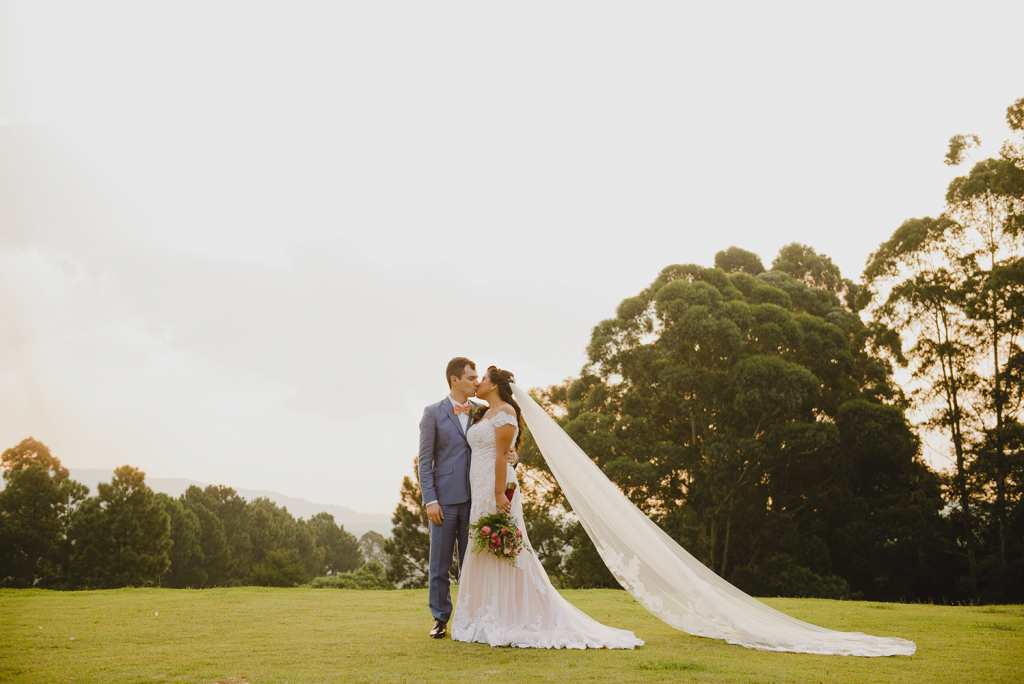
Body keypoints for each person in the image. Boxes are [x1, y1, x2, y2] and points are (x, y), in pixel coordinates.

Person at [450, 366, 644, 649]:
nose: (478, 382)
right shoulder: (485, 412)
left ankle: (513, 615)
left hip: (496, 488)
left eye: (483, 379)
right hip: (479, 489)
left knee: (503, 546)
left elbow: (503, 455)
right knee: (483, 546)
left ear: (494, 386)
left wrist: (499, 493)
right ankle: (486, 613)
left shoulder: (505, 411)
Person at [418, 357, 518, 640]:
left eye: (478, 377)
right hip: (444, 500)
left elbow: (499, 446)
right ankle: (440, 619)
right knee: (439, 563)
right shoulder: (432, 413)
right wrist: (430, 500)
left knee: (472, 562)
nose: (476, 381)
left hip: (478, 497)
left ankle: (471, 617)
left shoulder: (483, 411)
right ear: (455, 380)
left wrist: (514, 456)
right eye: (472, 377)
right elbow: (425, 462)